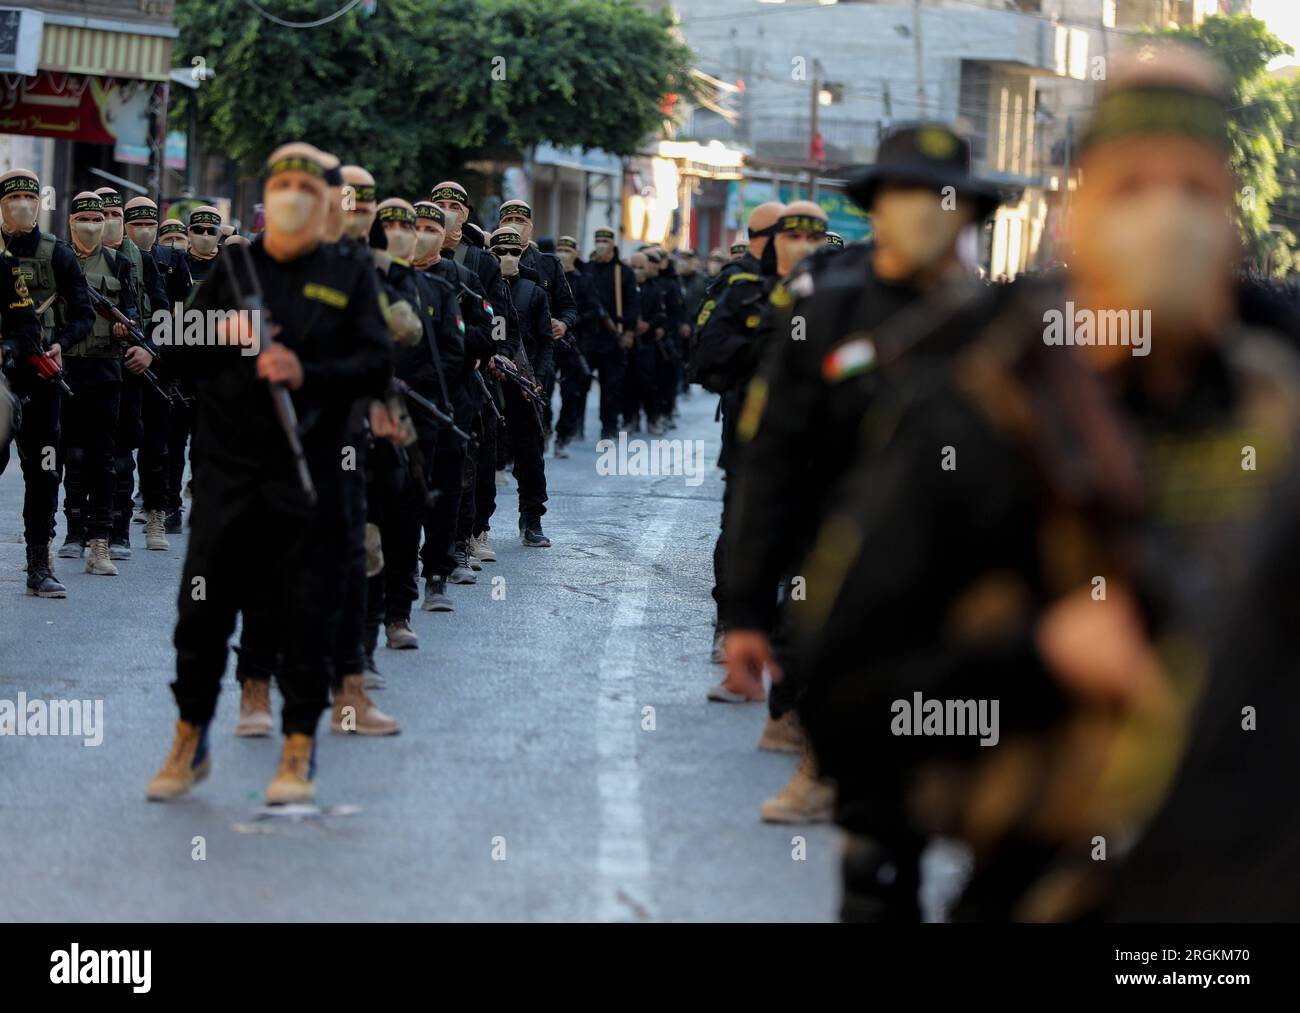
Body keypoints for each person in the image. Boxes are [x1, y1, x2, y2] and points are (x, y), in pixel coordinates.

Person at [719, 125, 1002, 830]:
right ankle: (821, 764)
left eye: (942, 197)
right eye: (905, 194)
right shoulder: (828, 307)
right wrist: (745, 608)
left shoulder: (997, 323)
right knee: (876, 842)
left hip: (959, 566)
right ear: (876, 205)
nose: (925, 210)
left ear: (967, 211)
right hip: (841, 545)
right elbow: (772, 458)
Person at [145, 143, 391, 804]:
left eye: (304, 188)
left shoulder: (348, 273)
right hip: (227, 472)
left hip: (310, 474)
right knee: (200, 611)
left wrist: (306, 371)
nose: (290, 196)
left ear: (323, 204)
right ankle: (189, 735)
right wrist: (216, 331)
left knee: (306, 614)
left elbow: (375, 366)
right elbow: (166, 348)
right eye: (280, 184)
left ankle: (297, 749)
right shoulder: (233, 265)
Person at [0, 167, 94, 596]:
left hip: (39, 377)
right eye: (12, 198)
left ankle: (39, 563)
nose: (22, 206)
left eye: (29, 199)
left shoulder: (57, 253)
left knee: (44, 470)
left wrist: (60, 346)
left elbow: (83, 314)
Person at [57, 190, 146, 576]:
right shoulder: (57, 259)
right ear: (71, 222)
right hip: (62, 369)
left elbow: (131, 310)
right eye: (84, 219)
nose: (92, 226)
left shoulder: (119, 263)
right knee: (68, 456)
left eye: (98, 219)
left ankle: (100, 542)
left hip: (104, 371)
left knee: (103, 458)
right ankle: (72, 532)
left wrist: (126, 330)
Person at [97, 188, 170, 559]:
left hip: (134, 366)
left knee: (137, 445)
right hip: (89, 365)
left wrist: (150, 351)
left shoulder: (142, 261)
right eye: (100, 215)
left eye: (113, 215)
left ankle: (127, 525)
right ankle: (86, 530)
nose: (106, 222)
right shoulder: (71, 258)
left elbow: (161, 314)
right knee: (86, 451)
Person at [0, 215, 58, 594]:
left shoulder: (3, 266)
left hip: (22, 381)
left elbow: (25, 326)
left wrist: (6, 349)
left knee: (43, 468)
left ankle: (39, 562)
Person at [488, 225, 553, 547]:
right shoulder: (480, 286)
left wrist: (539, 379)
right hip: (486, 379)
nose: (508, 257)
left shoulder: (533, 292)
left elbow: (545, 342)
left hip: (523, 381)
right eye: (500, 251)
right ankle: (475, 529)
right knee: (483, 453)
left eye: (514, 251)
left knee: (529, 453)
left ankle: (532, 519)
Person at [584, 227, 638, 440]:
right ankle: (572, 427)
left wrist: (629, 331)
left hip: (612, 335)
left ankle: (609, 426)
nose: (600, 244)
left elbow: (633, 304)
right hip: (587, 335)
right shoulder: (587, 269)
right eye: (597, 240)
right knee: (578, 384)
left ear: (613, 244)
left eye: (605, 241)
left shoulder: (623, 272)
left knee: (611, 385)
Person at [553, 235, 604, 455]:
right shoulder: (549, 278)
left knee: (570, 392)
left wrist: (571, 320)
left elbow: (594, 310)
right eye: (560, 249)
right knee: (541, 389)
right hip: (549, 342)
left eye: (568, 249)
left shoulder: (584, 281)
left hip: (575, 344)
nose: (563, 253)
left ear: (576, 253)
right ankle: (543, 429)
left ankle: (563, 437)